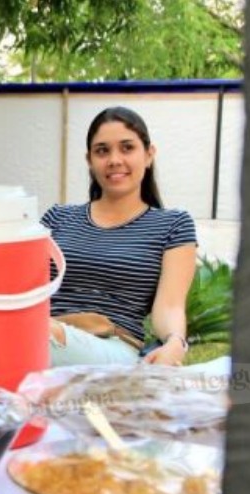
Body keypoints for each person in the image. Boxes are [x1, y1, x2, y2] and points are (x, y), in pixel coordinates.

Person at [43, 106, 197, 367]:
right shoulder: (57, 217)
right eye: (102, 150)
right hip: (46, 328)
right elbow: (22, 286)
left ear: (149, 155)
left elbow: (170, 306)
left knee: (31, 336)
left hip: (112, 347)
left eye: (127, 148)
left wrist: (175, 342)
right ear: (90, 160)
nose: (114, 159)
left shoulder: (173, 225)